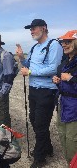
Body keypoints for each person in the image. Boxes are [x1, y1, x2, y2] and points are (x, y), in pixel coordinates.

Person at [15, 19, 63, 168]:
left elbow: (54, 68)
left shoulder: (54, 45)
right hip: (34, 89)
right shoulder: (35, 47)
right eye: (30, 29)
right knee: (35, 121)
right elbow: (28, 65)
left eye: (34, 28)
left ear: (44, 28)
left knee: (41, 124)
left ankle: (39, 157)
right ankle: (48, 148)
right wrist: (22, 57)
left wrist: (30, 71)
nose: (31, 31)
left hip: (47, 90)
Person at [52, 30, 77, 164]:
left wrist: (71, 78)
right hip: (62, 105)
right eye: (63, 42)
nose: (64, 45)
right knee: (63, 138)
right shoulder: (64, 63)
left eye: (68, 42)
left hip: (74, 109)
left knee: (73, 142)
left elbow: (72, 82)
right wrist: (57, 81)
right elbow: (64, 86)